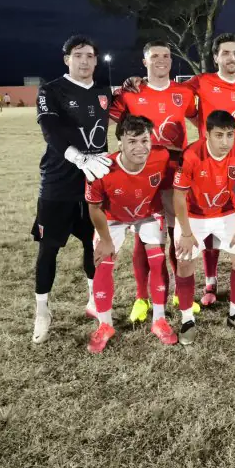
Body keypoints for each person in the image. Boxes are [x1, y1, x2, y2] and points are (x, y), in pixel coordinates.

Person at [30, 35, 113, 345]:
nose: (84, 60)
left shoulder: (104, 92)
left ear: (96, 60)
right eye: (78, 55)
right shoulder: (51, 90)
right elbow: (50, 130)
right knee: (48, 249)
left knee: (94, 244)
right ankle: (42, 312)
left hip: (94, 184)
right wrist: (79, 158)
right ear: (67, 59)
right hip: (58, 184)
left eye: (90, 55)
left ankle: (94, 299)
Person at [109, 40, 198, 321]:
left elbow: (202, 120)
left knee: (176, 234)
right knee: (145, 236)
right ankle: (142, 298)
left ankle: (179, 293)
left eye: (166, 56)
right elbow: (108, 121)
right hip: (142, 175)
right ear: (144, 61)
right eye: (155, 56)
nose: (161, 60)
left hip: (175, 174)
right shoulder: (131, 92)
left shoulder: (184, 93)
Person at [85, 115, 174, 352]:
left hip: (149, 213)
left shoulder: (161, 156)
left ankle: (159, 320)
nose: (139, 147)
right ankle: (105, 325)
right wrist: (105, 240)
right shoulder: (101, 168)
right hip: (112, 218)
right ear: (120, 143)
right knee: (103, 262)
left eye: (144, 140)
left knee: (157, 260)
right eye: (132, 141)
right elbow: (94, 208)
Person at [172, 110, 235, 344]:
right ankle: (187, 319)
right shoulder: (191, 154)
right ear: (207, 134)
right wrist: (186, 233)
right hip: (194, 214)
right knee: (185, 261)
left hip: (226, 211)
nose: (225, 142)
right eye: (219, 135)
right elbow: (178, 197)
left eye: (230, 135)